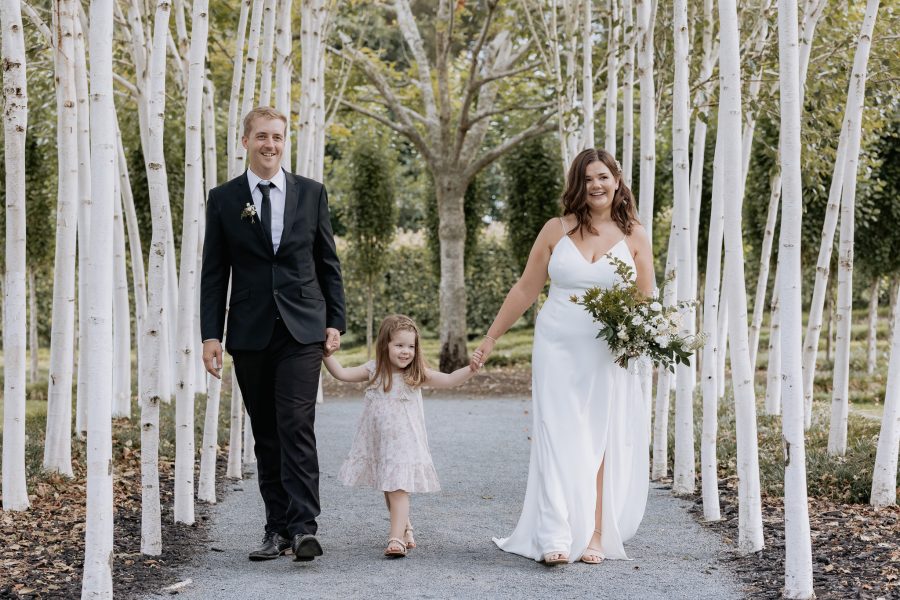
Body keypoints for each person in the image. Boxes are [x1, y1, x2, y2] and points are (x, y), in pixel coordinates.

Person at [472, 148, 654, 565]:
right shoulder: (556, 230)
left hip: (606, 352)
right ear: (578, 184)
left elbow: (645, 301)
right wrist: (491, 337)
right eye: (588, 178)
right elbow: (525, 289)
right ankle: (554, 534)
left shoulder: (635, 236)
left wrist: (640, 345)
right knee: (555, 432)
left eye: (604, 177)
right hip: (555, 346)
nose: (597, 185)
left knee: (600, 437)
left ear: (617, 180)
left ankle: (594, 534)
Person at [200, 106, 345, 563]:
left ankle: (304, 528)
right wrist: (210, 335)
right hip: (250, 330)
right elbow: (214, 272)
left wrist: (335, 320)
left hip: (302, 327)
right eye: (262, 136)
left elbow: (327, 261)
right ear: (245, 141)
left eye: (278, 137)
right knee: (266, 432)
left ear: (286, 142)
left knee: (296, 424)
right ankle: (275, 529)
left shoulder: (311, 193)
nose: (271, 144)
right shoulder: (223, 199)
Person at [323, 315, 477, 558]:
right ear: (385, 345)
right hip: (381, 443)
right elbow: (341, 373)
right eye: (399, 345)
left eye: (411, 346)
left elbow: (449, 380)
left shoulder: (415, 375)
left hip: (405, 444)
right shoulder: (373, 370)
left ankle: (396, 540)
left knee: (397, 487)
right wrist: (326, 354)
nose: (406, 351)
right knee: (389, 485)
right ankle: (405, 528)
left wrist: (470, 369)